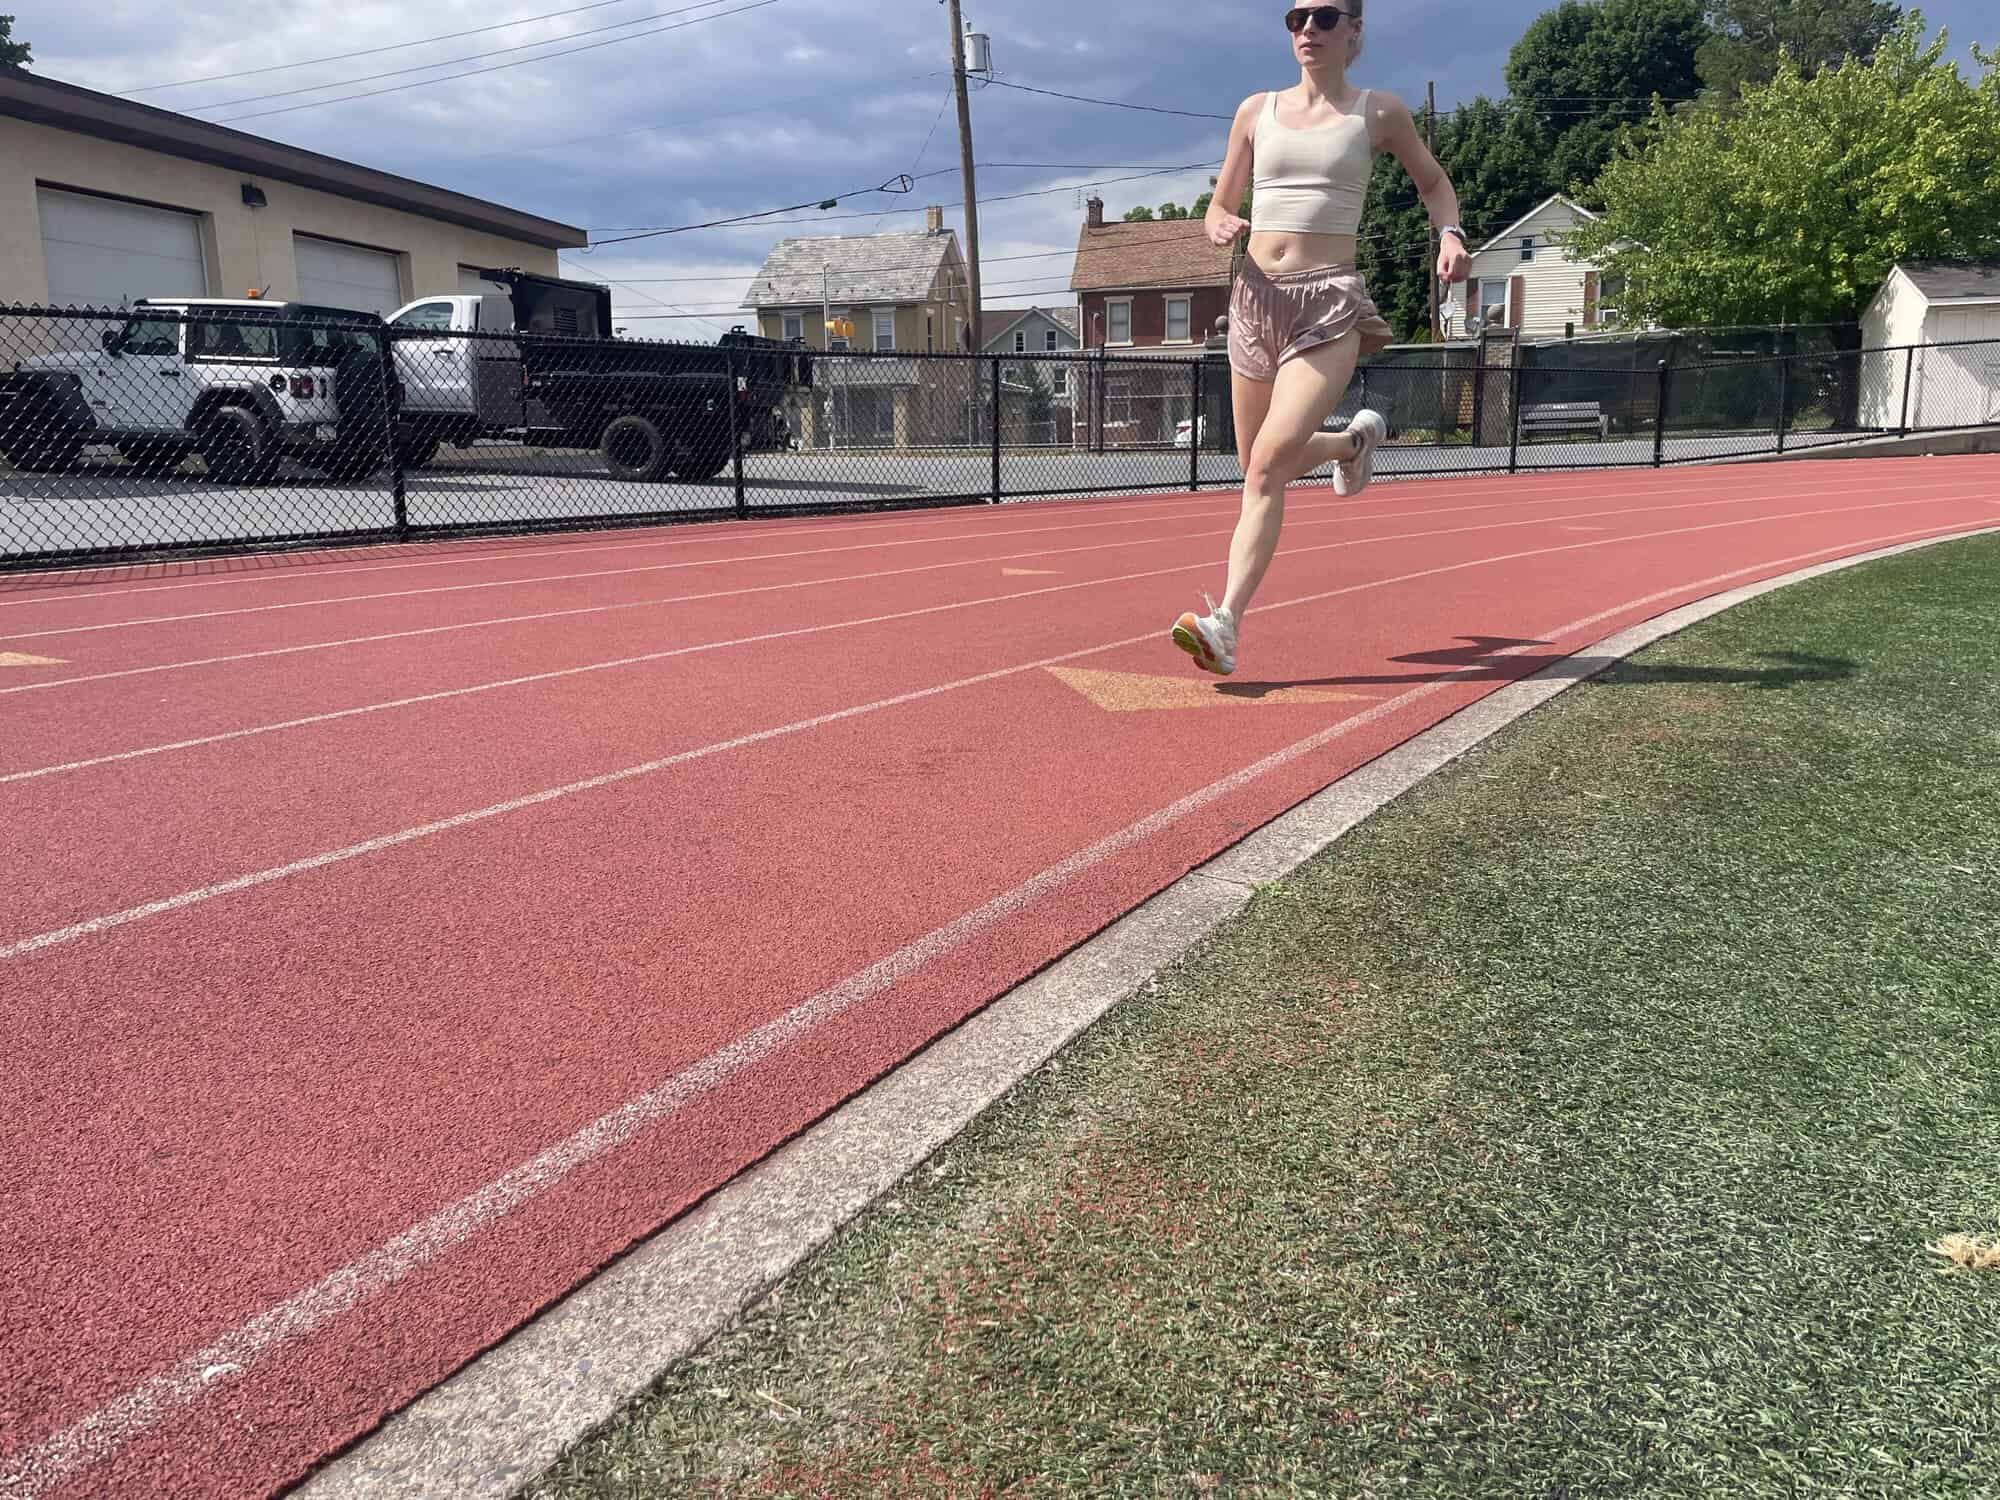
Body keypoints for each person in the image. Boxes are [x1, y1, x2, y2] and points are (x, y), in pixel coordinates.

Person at [1171, 2, 1470, 677]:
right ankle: (1353, 443)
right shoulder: (1256, 111)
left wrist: (1449, 232)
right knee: (1256, 463)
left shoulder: (1379, 113)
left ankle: (1225, 624)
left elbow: (1434, 183)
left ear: (1354, 31)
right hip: (1254, 298)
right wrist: (1217, 222)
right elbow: (1220, 203)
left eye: (1325, 16)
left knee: (1271, 464)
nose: (1308, 27)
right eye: (1296, 16)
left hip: (1328, 302)